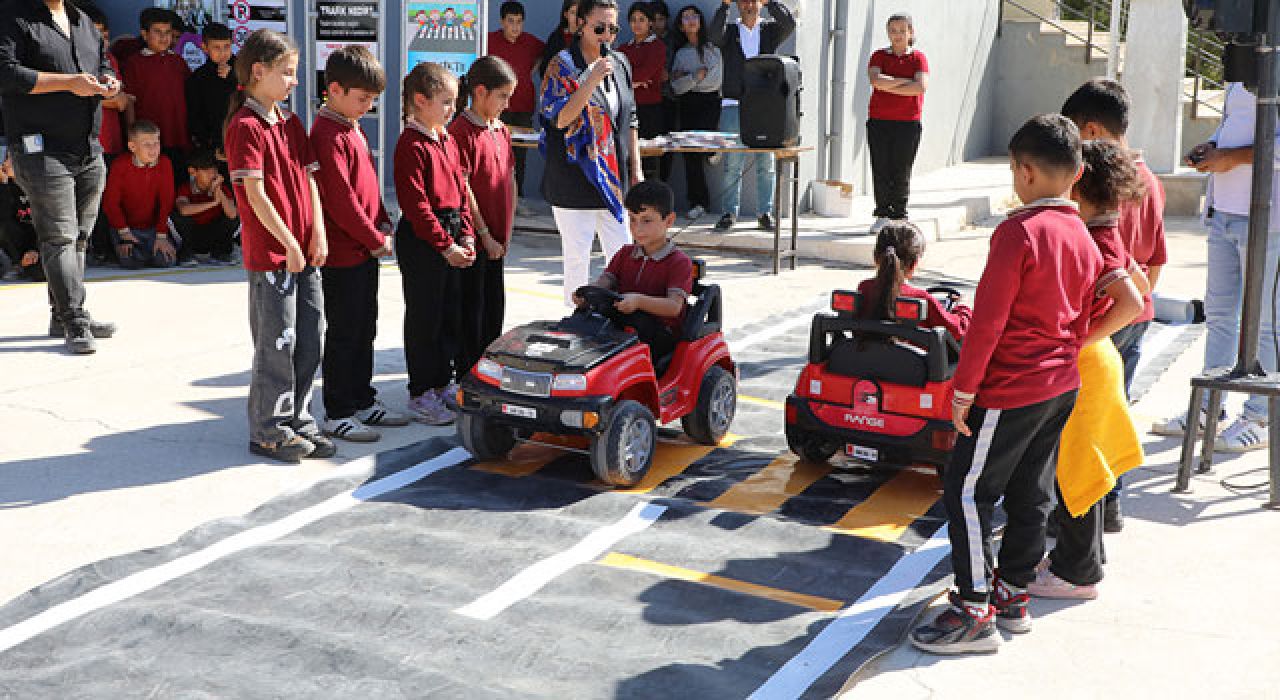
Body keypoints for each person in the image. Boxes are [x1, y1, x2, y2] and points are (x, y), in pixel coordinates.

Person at [909, 115, 1103, 655]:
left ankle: (974, 611)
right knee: (1030, 490)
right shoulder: (1082, 235)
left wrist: (963, 391)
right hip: (1060, 382)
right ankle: (1013, 595)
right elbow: (1091, 312)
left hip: (1011, 386)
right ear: (1078, 172)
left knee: (967, 491)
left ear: (1024, 172)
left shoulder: (1018, 232)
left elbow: (988, 321)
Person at [1029, 139, 1147, 603]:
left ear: (1076, 184)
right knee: (1086, 473)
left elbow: (1132, 302)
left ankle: (1077, 574)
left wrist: (1080, 337)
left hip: (1087, 368)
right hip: (1100, 366)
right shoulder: (1110, 232)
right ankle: (1080, 560)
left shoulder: (1092, 240)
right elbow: (1140, 278)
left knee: (1077, 474)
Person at [1060, 78, 1167, 531]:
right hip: (1136, 314)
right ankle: (1111, 504)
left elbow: (1095, 260)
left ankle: (1083, 509)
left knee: (1082, 421)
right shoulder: (1150, 181)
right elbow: (1157, 258)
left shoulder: (1098, 182)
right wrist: (1142, 298)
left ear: (1092, 130)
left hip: (1100, 321)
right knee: (1114, 412)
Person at [224, 29, 332, 463]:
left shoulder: (289, 123)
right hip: (274, 255)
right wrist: (288, 240)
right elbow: (255, 194)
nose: (294, 82)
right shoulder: (244, 127)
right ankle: (268, 429)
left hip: (304, 252)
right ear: (258, 71)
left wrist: (317, 230)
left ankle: (299, 418)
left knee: (311, 337)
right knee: (277, 343)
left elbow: (309, 179)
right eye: (286, 73)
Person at [1155, 81, 1280, 453]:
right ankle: (1211, 407)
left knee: (1265, 322)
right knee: (1221, 315)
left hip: (1268, 219)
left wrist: (1235, 157)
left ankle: (1261, 416)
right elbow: (1235, 123)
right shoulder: (1242, 67)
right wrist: (1213, 146)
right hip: (1224, 213)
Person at [0, 0, 121, 353]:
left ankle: (63, 313)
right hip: (41, 149)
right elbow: (6, 74)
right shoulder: (13, 15)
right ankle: (75, 319)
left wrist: (108, 82)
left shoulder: (82, 20)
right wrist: (69, 83)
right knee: (60, 237)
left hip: (87, 148)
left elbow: (99, 65)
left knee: (79, 238)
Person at [310, 45, 411, 443]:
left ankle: (362, 398)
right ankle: (338, 410)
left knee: (364, 327)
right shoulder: (327, 133)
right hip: (343, 254)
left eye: (372, 99)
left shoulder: (350, 126)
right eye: (362, 98)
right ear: (334, 89)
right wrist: (374, 239)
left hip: (364, 249)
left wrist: (383, 221)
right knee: (345, 331)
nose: (367, 106)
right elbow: (340, 200)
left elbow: (367, 187)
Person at [540, 0, 643, 307]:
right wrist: (591, 79)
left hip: (614, 177)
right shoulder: (561, 65)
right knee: (577, 257)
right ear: (580, 24)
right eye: (599, 28)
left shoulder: (620, 62)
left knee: (623, 252)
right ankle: (577, 322)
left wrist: (635, 168)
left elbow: (631, 117)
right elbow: (559, 118)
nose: (606, 36)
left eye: (613, 29)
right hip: (575, 175)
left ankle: (622, 321)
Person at [394, 62, 476, 425]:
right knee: (425, 318)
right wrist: (445, 245)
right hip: (424, 240)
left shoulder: (447, 139)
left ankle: (442, 382)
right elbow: (416, 205)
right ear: (420, 101)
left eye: (454, 102)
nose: (451, 110)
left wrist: (467, 233)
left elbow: (460, 192)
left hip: (450, 231)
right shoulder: (411, 144)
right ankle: (421, 391)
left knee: (448, 315)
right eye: (445, 102)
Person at [574, 180, 693, 365]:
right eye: (632, 219)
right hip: (625, 324)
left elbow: (674, 307)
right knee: (584, 319)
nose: (637, 228)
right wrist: (588, 294)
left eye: (646, 220)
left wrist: (638, 301)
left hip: (660, 336)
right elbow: (605, 281)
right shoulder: (625, 254)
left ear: (668, 221)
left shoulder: (679, 263)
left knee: (633, 326)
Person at [450, 56, 518, 379]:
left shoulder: (501, 130)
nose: (507, 103)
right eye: (502, 96)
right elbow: (463, 187)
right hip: (476, 240)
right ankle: (468, 372)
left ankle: (490, 368)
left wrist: (508, 227)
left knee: (494, 308)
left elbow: (510, 177)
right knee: (471, 311)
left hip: (499, 239)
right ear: (480, 92)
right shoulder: (460, 130)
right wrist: (485, 232)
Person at [709, 0, 795, 232]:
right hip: (733, 103)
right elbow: (714, 35)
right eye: (744, 1)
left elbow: (788, 24)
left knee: (765, 162)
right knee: (732, 162)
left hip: (764, 105)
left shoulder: (769, 30)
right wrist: (724, 5)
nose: (749, 5)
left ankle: (765, 212)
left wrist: (772, 4)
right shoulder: (731, 31)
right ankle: (729, 212)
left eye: (754, 1)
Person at [866, 12, 929, 233]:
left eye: (902, 30)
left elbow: (920, 86)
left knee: (901, 169)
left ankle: (899, 214)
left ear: (910, 33)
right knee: (881, 167)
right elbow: (875, 80)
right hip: (879, 121)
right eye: (893, 30)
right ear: (888, 33)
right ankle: (882, 213)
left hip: (908, 123)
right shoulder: (878, 56)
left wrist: (889, 83)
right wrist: (905, 83)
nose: (897, 35)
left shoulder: (918, 58)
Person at [856, 221, 970, 341]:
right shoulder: (921, 299)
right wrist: (963, 307)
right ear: (914, 264)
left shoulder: (864, 288)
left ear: (875, 258)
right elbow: (957, 330)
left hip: (865, 356)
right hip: (914, 359)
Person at [83, 4, 133, 267]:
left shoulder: (110, 61)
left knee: (108, 199)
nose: (101, 39)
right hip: (85, 142)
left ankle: (106, 247)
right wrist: (109, 99)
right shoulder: (76, 58)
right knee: (85, 200)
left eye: (104, 34)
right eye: (95, 33)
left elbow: (122, 101)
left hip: (111, 141)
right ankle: (87, 248)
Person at [122, 8, 191, 180]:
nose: (164, 37)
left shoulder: (178, 61)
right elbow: (129, 101)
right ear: (144, 34)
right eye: (157, 32)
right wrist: (132, 134)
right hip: (149, 140)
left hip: (178, 135)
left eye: (167, 32)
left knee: (177, 179)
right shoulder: (134, 63)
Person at [102, 120, 178, 269]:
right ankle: (117, 250)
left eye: (156, 143)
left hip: (153, 229)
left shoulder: (164, 163)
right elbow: (110, 203)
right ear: (132, 146)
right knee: (131, 262)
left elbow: (166, 201)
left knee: (165, 261)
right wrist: (124, 233)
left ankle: (154, 250)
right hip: (127, 229)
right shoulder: (120, 165)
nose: (153, 149)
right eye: (147, 144)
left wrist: (162, 236)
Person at [486, 1, 543, 199]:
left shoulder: (531, 42)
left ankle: (517, 198)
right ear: (502, 22)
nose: (515, 27)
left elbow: (545, 55)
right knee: (495, 152)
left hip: (523, 107)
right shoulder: (489, 40)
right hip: (497, 107)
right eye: (511, 21)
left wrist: (530, 72)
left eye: (519, 22)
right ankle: (496, 197)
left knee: (520, 155)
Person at [670, 4, 722, 221]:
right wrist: (694, 77)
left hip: (709, 102)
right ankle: (698, 202)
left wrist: (687, 78)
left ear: (701, 22)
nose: (690, 20)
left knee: (704, 144)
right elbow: (675, 87)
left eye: (694, 16)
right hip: (687, 103)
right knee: (689, 153)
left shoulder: (712, 50)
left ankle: (712, 151)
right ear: (681, 26)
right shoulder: (681, 53)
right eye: (685, 17)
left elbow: (713, 81)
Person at [619, 2, 667, 183]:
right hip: (626, 108)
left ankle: (650, 205)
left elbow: (646, 73)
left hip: (650, 110)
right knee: (626, 157)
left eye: (642, 19)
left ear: (650, 23)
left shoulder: (657, 47)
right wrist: (636, 82)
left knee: (649, 160)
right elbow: (617, 75)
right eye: (633, 20)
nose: (637, 24)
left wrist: (631, 78)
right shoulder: (623, 48)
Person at [173, 148, 237, 265]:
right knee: (178, 217)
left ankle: (221, 253)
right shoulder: (186, 188)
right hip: (193, 235)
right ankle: (186, 254)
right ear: (193, 171)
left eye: (214, 169)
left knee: (232, 217)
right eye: (206, 170)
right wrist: (213, 203)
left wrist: (218, 190)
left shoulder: (223, 189)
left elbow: (232, 214)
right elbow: (183, 210)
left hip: (214, 234)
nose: (212, 174)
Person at [186, 22, 236, 161]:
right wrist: (209, 147)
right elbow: (195, 115)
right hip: (215, 148)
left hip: (242, 140)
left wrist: (234, 77)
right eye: (216, 48)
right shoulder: (198, 78)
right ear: (204, 48)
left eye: (226, 47)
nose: (223, 53)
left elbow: (253, 94)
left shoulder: (243, 69)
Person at [0, 157, 43, 281]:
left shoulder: (37, 185)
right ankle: (17, 264)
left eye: (10, 161)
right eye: (5, 160)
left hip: (40, 239)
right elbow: (4, 215)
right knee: (5, 225)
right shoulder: (6, 186)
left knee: (40, 274)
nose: (5, 164)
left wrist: (36, 249)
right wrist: (3, 185)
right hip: (18, 239)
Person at [538, 0, 582, 83]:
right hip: (560, 89)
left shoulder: (589, 37)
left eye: (580, 13)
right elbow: (544, 69)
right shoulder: (556, 38)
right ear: (566, 14)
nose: (577, 17)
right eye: (573, 13)